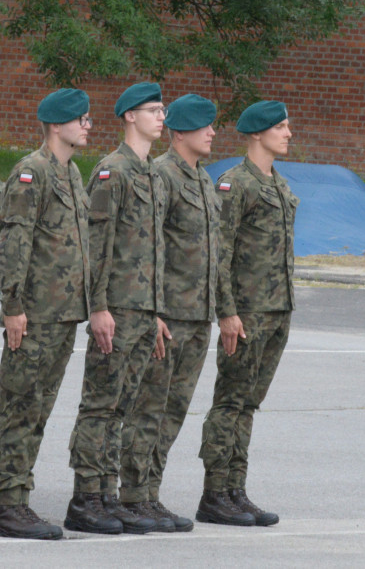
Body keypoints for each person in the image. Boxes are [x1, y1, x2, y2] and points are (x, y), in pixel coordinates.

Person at [65, 82, 168, 535]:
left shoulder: (153, 174)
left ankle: (108, 494)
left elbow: (155, 250)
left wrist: (158, 310)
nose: (161, 117)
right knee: (100, 405)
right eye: (153, 110)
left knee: (122, 407)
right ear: (129, 116)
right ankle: (86, 497)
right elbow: (98, 246)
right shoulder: (113, 171)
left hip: (145, 310)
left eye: (163, 110)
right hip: (118, 309)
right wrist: (99, 306)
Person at [0, 88, 91, 540]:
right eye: (79, 118)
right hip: (34, 315)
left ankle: (19, 500)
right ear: (55, 125)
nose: (87, 125)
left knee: (38, 410)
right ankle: (8, 505)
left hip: (63, 315)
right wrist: (12, 307)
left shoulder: (71, 175)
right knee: (20, 409)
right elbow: (14, 244)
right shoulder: (33, 173)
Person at [119, 94, 219, 532]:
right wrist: (154, 311)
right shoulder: (162, 176)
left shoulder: (204, 180)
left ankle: (150, 493)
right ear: (180, 132)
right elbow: (149, 247)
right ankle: (132, 495)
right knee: (148, 408)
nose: (212, 132)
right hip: (168, 315)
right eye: (204, 125)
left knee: (172, 411)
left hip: (197, 316)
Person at [197, 100, 297, 527]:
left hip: (277, 310)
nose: (289, 133)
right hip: (247, 313)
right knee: (230, 402)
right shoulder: (235, 184)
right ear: (257, 133)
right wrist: (227, 312)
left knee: (249, 404)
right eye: (281, 127)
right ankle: (215, 492)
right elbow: (220, 254)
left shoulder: (280, 185)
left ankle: (236, 490)